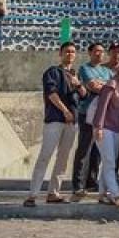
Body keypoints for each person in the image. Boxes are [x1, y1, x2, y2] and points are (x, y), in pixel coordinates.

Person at [24, 42, 85, 206]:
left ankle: (53, 193)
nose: (70, 54)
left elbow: (84, 94)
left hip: (72, 122)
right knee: (45, 155)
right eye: (67, 52)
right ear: (61, 53)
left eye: (73, 52)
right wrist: (64, 111)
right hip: (55, 119)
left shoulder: (75, 75)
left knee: (63, 159)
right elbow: (51, 93)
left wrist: (78, 84)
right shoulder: (52, 72)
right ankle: (33, 194)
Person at [72, 42, 111, 200]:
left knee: (98, 150)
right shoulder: (84, 69)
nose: (99, 54)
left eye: (102, 52)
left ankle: (92, 181)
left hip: (102, 114)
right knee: (84, 148)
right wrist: (103, 85)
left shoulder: (106, 70)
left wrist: (102, 85)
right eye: (96, 51)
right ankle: (78, 185)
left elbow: (109, 87)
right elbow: (93, 86)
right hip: (86, 112)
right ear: (90, 53)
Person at [93, 59, 119, 208]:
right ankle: (116, 194)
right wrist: (98, 127)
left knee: (108, 162)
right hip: (105, 128)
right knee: (110, 162)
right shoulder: (111, 84)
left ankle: (102, 194)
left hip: (118, 129)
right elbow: (102, 107)